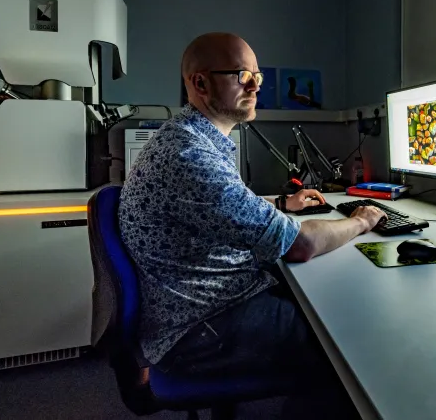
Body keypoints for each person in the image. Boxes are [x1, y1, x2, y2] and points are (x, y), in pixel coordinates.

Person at [119, 32, 386, 418]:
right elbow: (301, 245)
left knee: (328, 301)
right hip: (200, 329)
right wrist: (361, 220)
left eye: (257, 77)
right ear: (200, 83)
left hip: (202, 305)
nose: (255, 86)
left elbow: (216, 206)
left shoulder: (190, 137)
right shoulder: (190, 154)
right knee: (344, 336)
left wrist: (279, 203)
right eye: (243, 75)